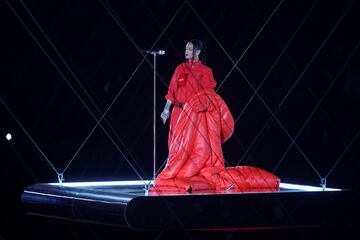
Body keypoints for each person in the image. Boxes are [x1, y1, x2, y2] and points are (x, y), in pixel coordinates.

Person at [151, 39, 280, 194]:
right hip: (177, 114)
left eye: (190, 49)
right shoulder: (180, 68)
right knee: (175, 149)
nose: (186, 51)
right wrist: (166, 110)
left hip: (194, 118)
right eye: (186, 49)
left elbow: (208, 96)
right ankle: (177, 175)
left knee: (191, 150)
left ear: (198, 52)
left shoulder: (206, 71)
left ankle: (191, 176)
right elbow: (171, 92)